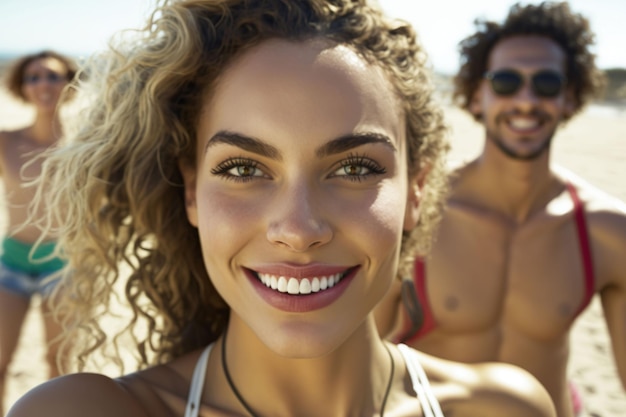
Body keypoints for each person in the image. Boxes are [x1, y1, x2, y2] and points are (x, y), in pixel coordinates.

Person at [7, 1, 556, 416]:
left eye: (355, 168)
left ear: (417, 189)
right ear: (192, 191)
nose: (298, 229)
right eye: (244, 169)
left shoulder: (505, 408)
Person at [375, 2, 625, 417]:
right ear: (477, 96)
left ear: (569, 98)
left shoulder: (605, 231)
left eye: (546, 83)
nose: (526, 101)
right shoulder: (415, 210)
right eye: (506, 81)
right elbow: (360, 355)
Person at [0, 50, 77, 415]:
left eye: (52, 76)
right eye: (34, 77)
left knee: (58, 366)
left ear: (68, 83)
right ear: (23, 87)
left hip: (63, 267)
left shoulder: (85, 147)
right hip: (10, 265)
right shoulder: (5, 141)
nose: (43, 83)